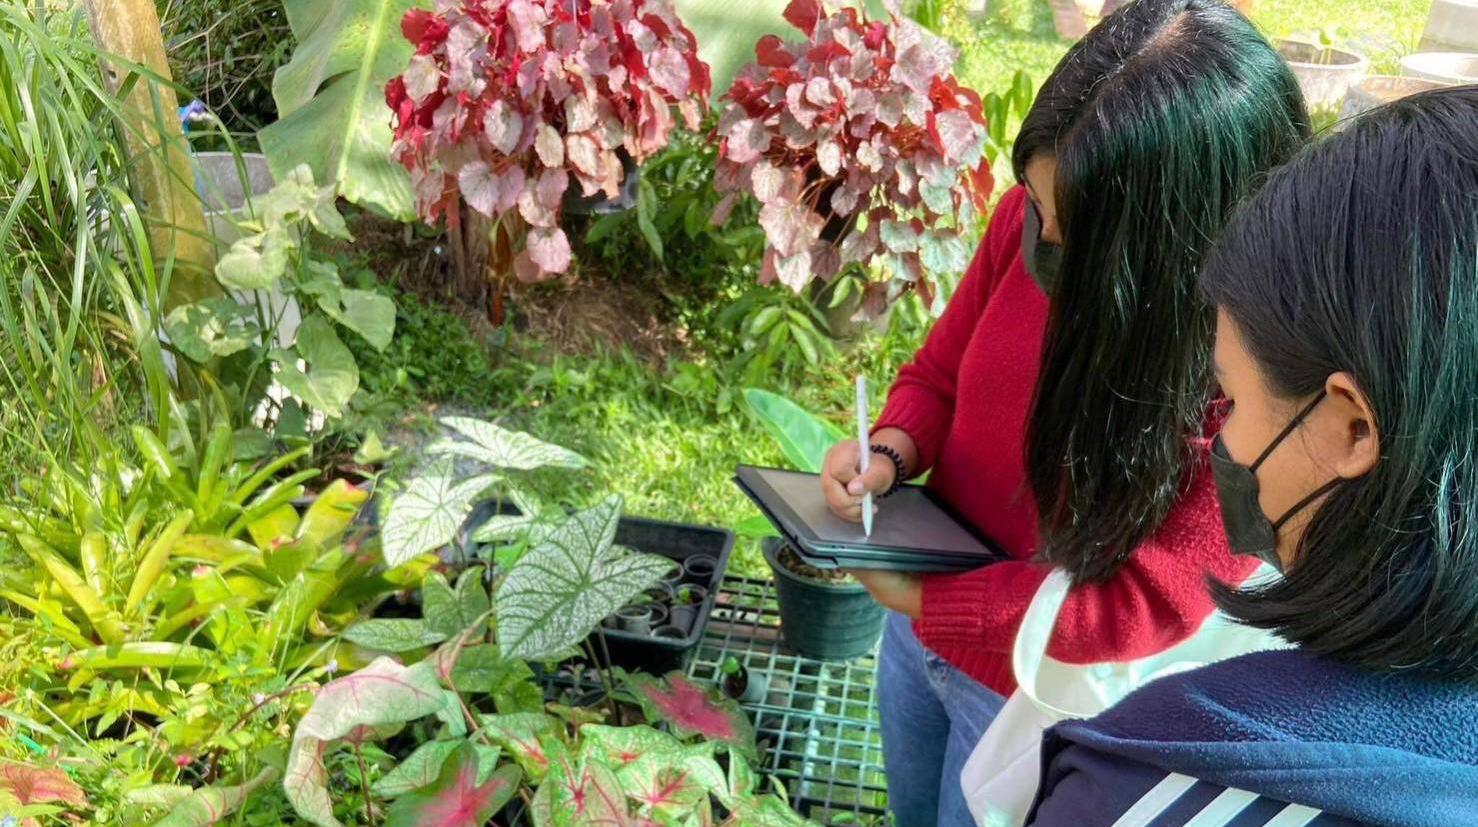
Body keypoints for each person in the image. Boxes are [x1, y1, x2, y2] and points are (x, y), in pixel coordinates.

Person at [817, 1, 1309, 823]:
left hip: (1028, 690)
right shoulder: (1028, 227)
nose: (1037, 233)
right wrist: (893, 449)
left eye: (1067, 225)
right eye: (1036, 202)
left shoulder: (1250, 385)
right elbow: (940, 373)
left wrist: (931, 602)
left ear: (1166, 240)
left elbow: (1134, 608)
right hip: (921, 627)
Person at [1026, 84, 1478, 827]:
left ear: (1353, 430)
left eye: (1230, 398)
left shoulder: (1156, 784)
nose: (1223, 440)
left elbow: (1135, 609)